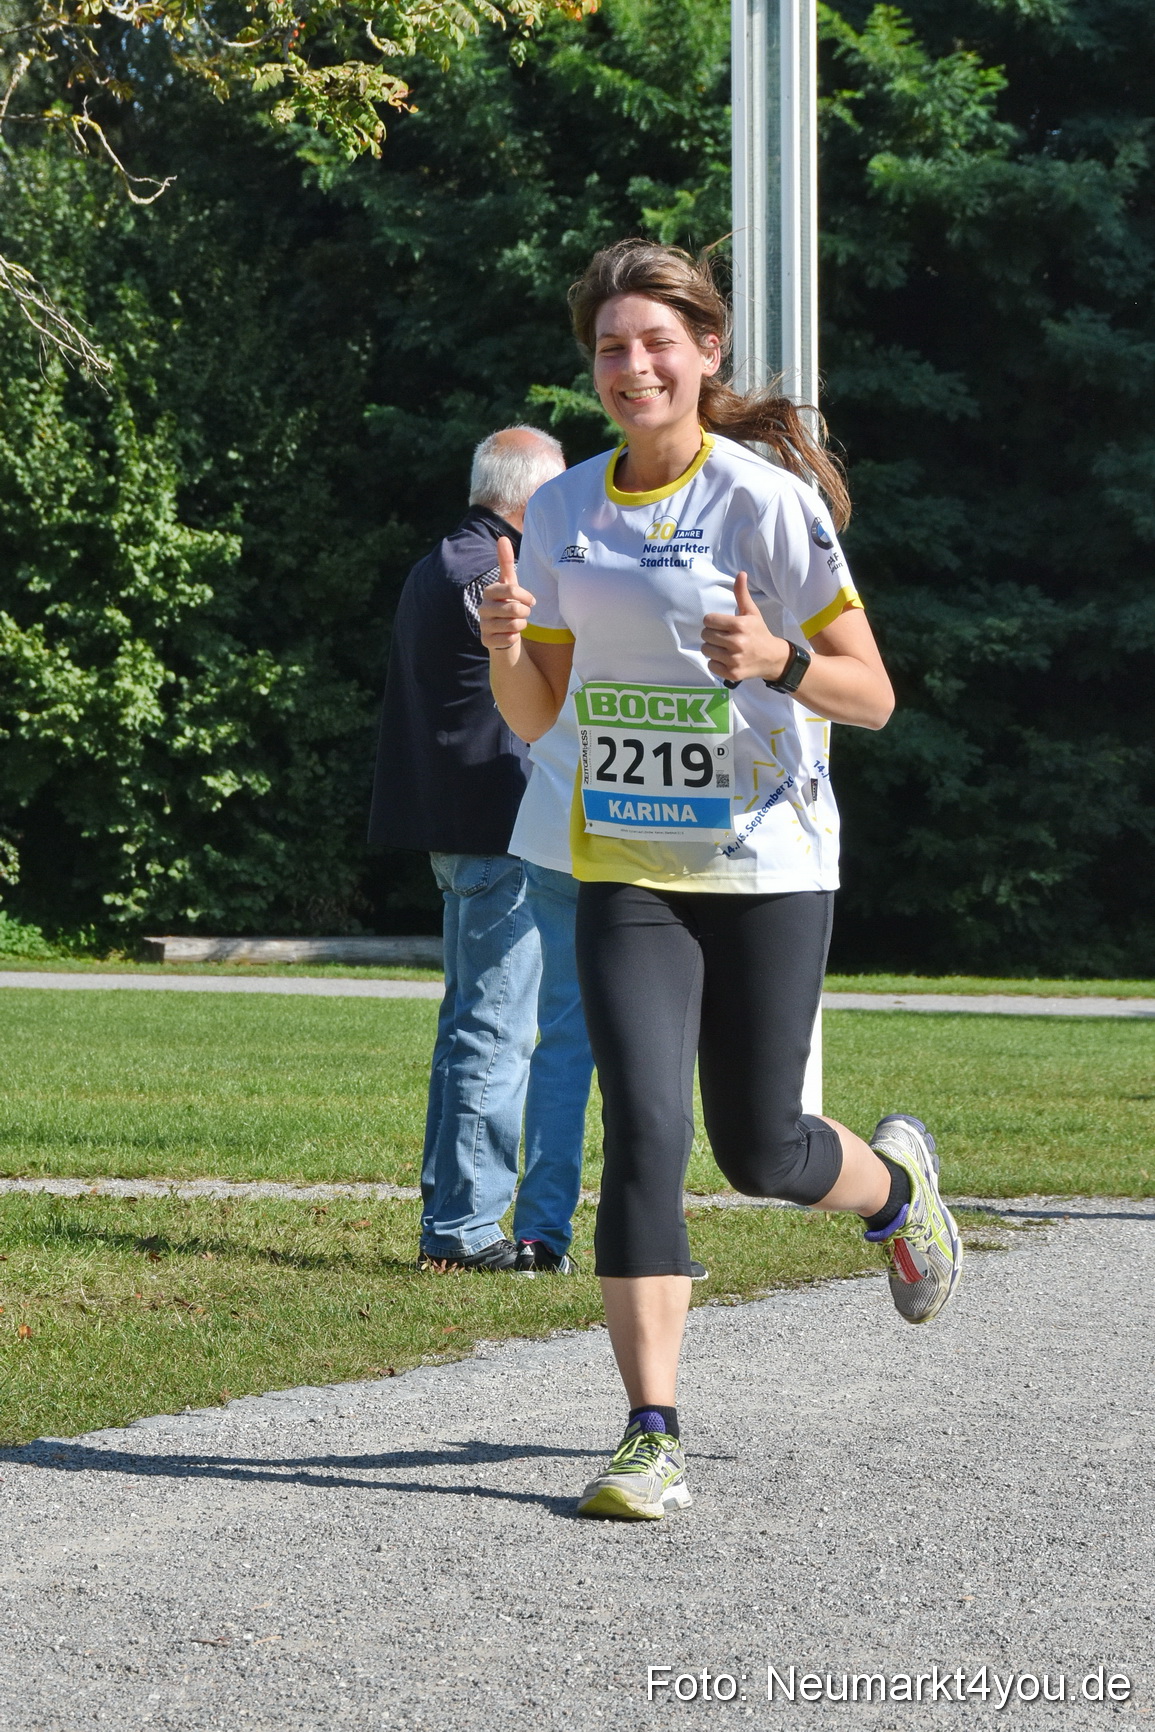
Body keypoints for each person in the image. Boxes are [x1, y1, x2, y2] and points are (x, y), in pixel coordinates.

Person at [480, 240, 964, 1517]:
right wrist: (505, 646)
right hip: (627, 852)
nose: (632, 365)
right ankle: (650, 1430)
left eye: (655, 343)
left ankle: (898, 1192)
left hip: (767, 859)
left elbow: (873, 696)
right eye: (609, 348)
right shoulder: (569, 506)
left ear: (703, 355)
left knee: (761, 1147)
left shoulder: (766, 504)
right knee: (642, 1127)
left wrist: (777, 662)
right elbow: (539, 717)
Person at [369, 425, 593, 1272]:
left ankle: (454, 1219)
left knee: (475, 1023)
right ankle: (463, 1231)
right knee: (494, 1029)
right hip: (500, 829)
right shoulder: (489, 575)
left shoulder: (443, 560)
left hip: (465, 827)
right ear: (530, 500)